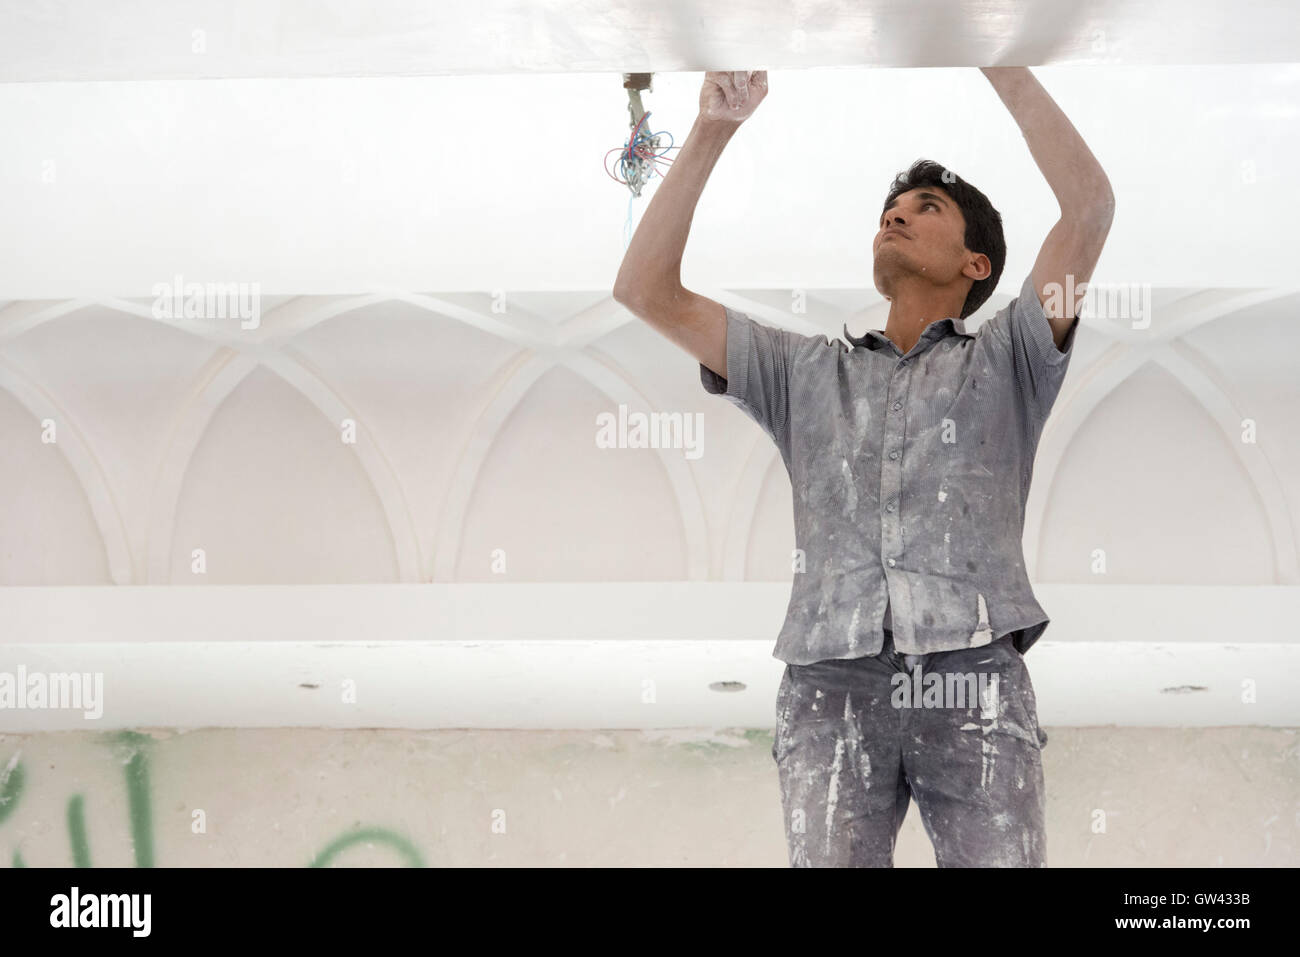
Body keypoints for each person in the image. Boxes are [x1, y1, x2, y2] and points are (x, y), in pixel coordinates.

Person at [613, 68, 1114, 866]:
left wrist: (996, 53)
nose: (897, 214)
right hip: (829, 682)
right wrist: (713, 128)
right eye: (893, 207)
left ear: (975, 266)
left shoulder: (1013, 356)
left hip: (971, 676)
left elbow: (1089, 206)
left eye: (929, 207)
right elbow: (644, 289)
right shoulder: (803, 372)